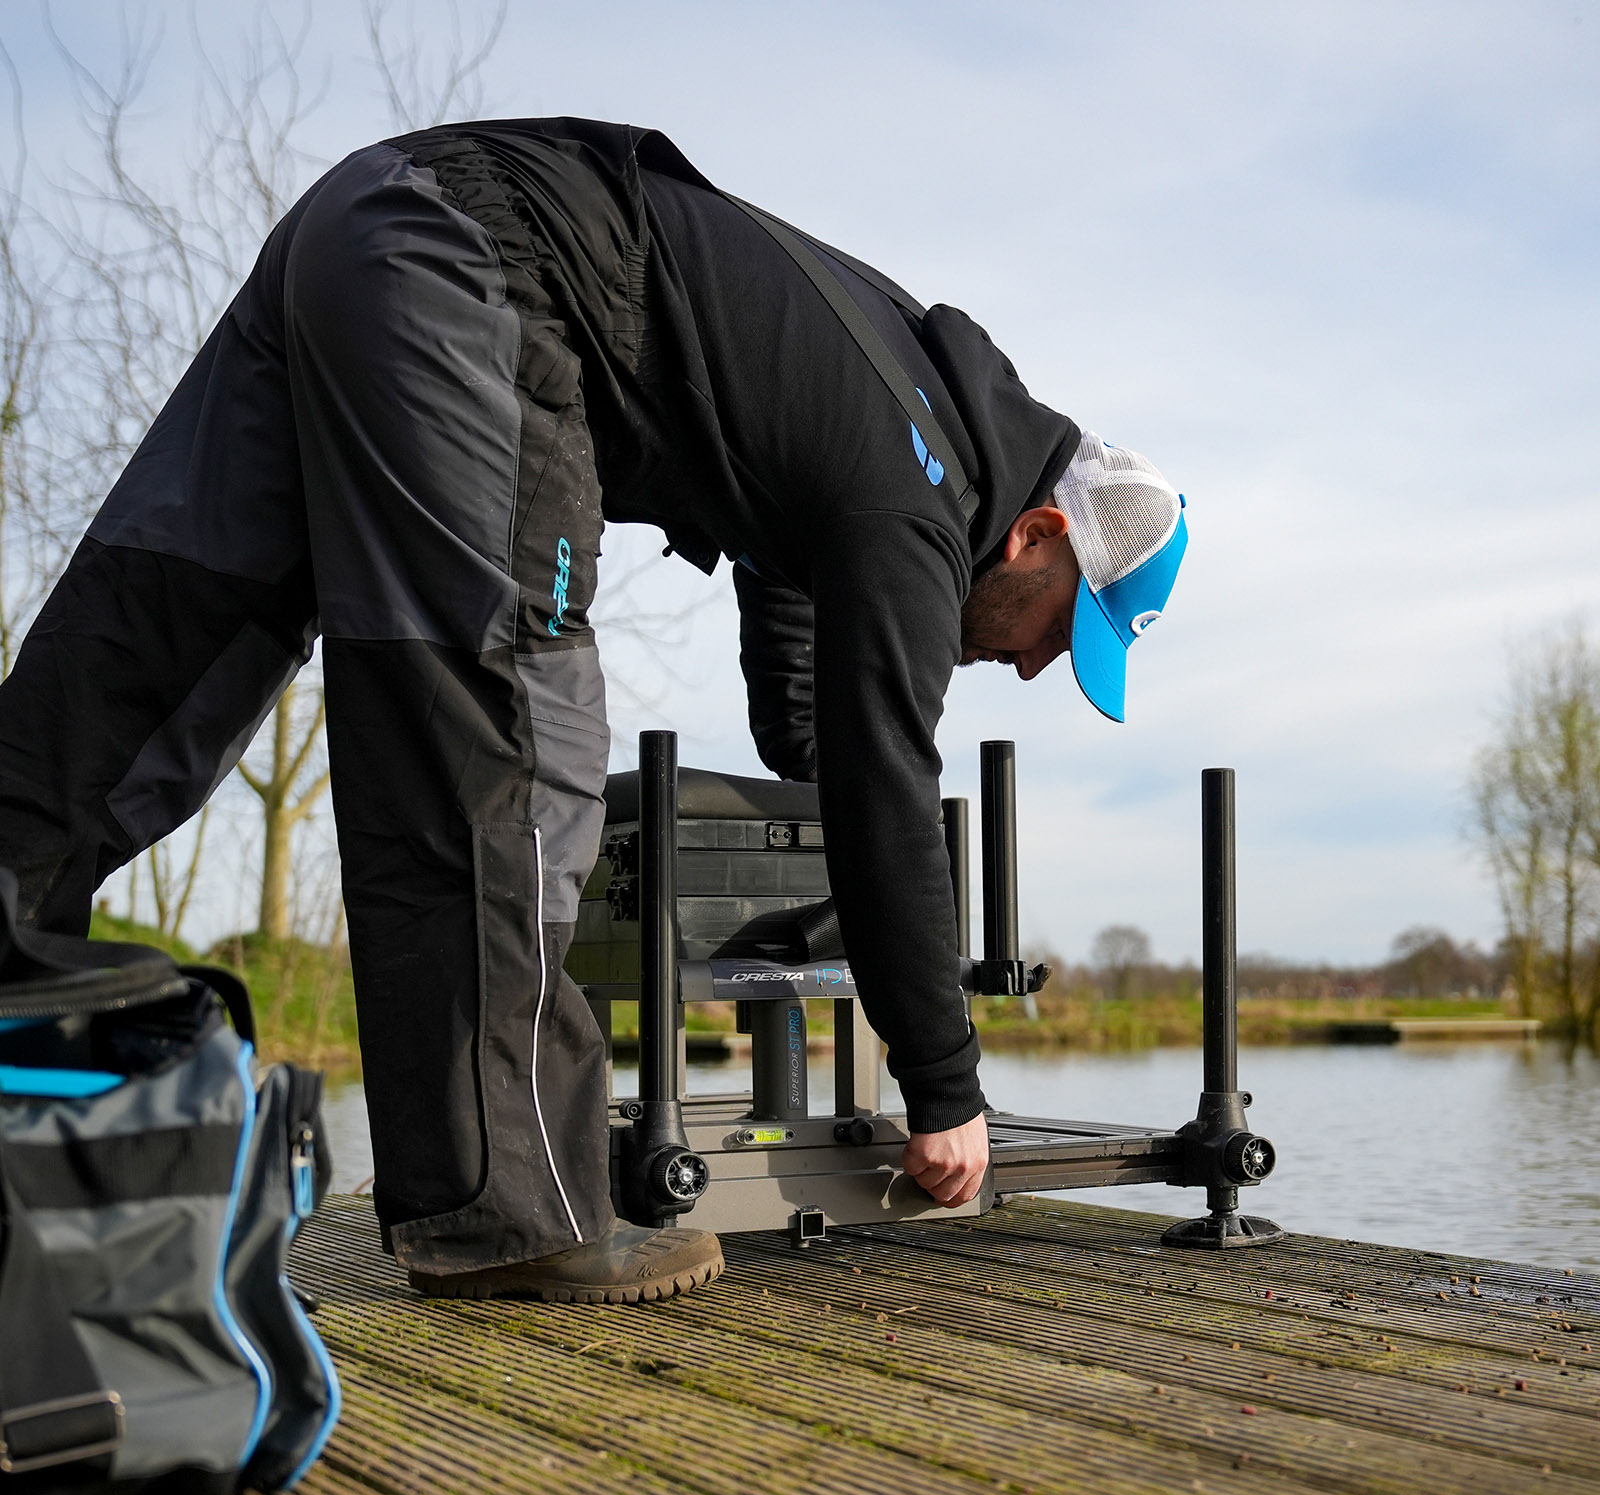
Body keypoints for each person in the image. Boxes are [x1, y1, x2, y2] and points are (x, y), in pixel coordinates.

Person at [0, 119, 1186, 1303]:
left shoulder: (905, 402)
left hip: (357, 221)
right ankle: (511, 1214)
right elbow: (888, 775)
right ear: (1035, 536)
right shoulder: (921, 503)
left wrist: (811, 753)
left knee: (163, 636)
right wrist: (943, 1080)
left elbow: (800, 610)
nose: (1033, 668)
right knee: (514, 730)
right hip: (484, 272)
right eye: (1055, 631)